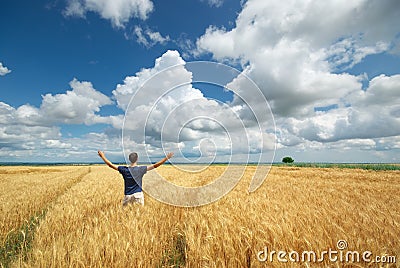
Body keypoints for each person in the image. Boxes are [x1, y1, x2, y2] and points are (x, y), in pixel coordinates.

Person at [97, 150, 174, 206]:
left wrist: (102, 156)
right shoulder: (141, 169)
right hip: (138, 195)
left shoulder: (124, 170)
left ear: (129, 160)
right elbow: (156, 165)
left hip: (127, 196)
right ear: (137, 159)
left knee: (125, 217)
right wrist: (166, 158)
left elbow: (110, 165)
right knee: (139, 216)